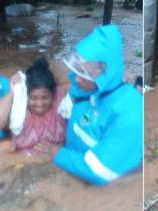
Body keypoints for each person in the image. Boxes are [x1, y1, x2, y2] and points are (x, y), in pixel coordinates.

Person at [50, 24, 143, 186]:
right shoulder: (83, 86)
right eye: (78, 69)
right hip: (73, 162)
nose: (77, 78)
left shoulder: (130, 112)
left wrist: (58, 154)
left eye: (85, 73)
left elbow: (101, 172)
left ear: (105, 73)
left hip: (98, 180)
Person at [0, 58, 67, 154]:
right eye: (34, 98)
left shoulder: (60, 99)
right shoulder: (18, 107)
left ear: (53, 94)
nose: (40, 104)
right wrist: (13, 92)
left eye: (45, 98)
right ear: (26, 95)